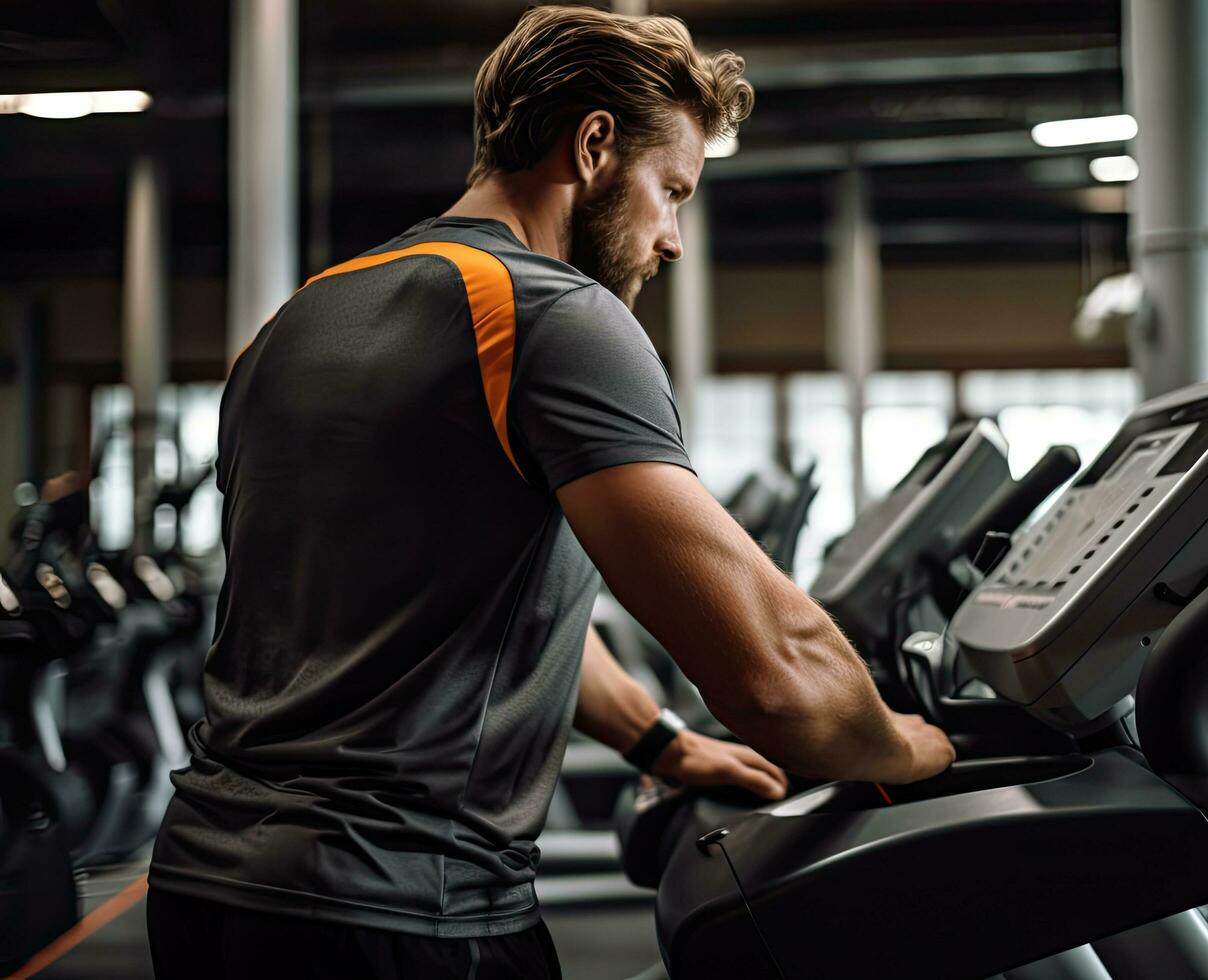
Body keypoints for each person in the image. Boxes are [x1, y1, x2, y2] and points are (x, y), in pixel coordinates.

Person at [147, 6, 954, 978]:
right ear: (595, 145)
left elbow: (443, 609)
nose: (673, 240)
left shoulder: (294, 325)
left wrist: (660, 740)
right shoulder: (554, 313)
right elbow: (775, 673)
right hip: (401, 912)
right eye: (672, 191)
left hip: (202, 887)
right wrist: (909, 747)